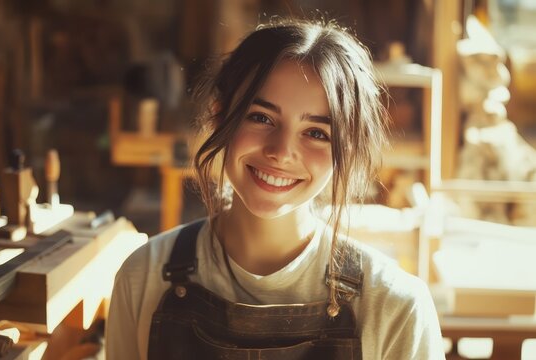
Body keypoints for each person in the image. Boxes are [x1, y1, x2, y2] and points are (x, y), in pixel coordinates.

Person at [106, 18, 444, 360]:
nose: (281, 152)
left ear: (350, 150)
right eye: (261, 117)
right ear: (219, 116)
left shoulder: (396, 308)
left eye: (316, 133)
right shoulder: (143, 277)